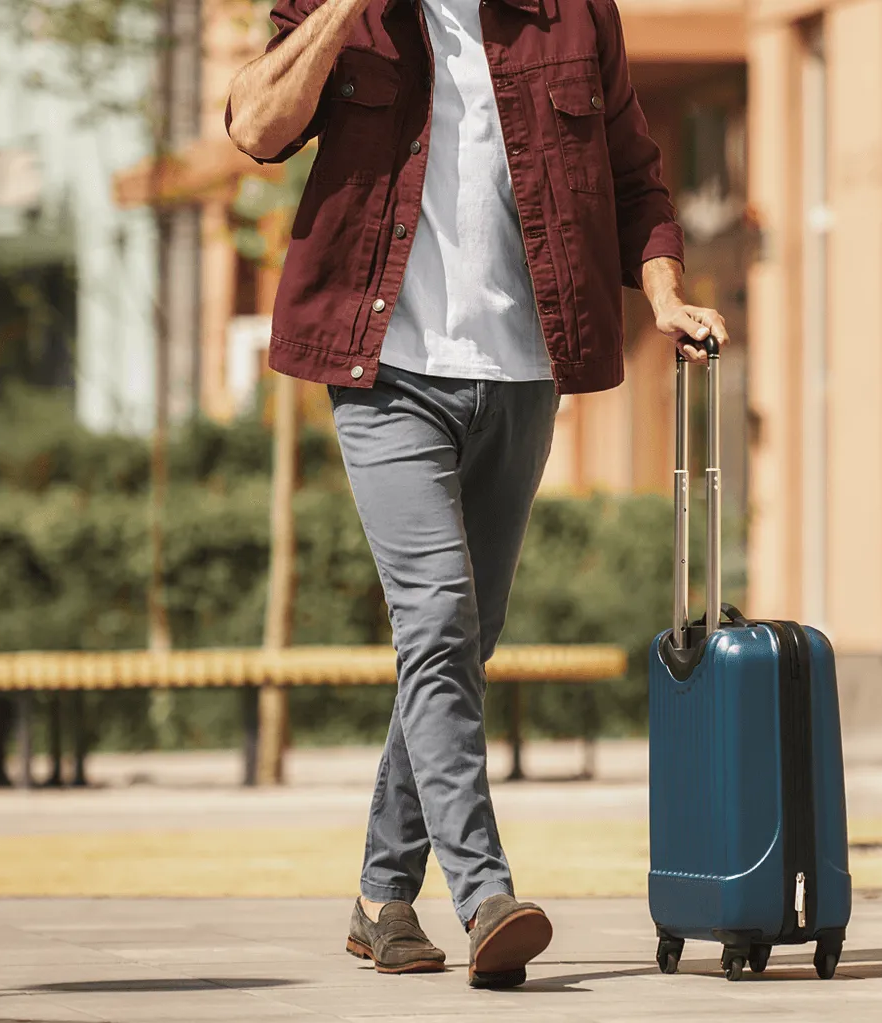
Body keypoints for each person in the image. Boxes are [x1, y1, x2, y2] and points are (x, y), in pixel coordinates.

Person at [225, 0, 729, 990]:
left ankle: (380, 897)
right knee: (440, 619)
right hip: (385, 371)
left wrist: (664, 292)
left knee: (458, 639)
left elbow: (637, 175)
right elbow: (255, 127)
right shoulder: (340, 15)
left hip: (522, 371)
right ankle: (486, 894)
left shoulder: (572, 14)